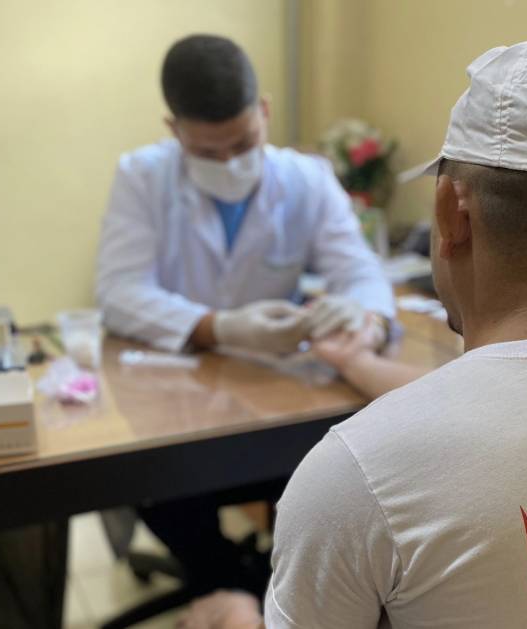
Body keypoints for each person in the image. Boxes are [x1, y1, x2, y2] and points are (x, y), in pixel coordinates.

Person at [184, 39, 527, 628]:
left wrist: (245, 617)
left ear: (451, 213)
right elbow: (502, 410)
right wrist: (358, 361)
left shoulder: (351, 479)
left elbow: (461, 435)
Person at [94, 34, 395, 597]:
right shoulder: (142, 177)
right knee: (164, 491)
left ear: (264, 112)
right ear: (174, 129)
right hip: (176, 398)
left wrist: (362, 316)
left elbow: (362, 271)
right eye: (208, 153)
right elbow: (118, 290)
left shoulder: (306, 178)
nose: (230, 163)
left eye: (242, 143)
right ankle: (234, 588)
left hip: (268, 396)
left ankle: (259, 590)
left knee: (322, 475)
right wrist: (219, 326)